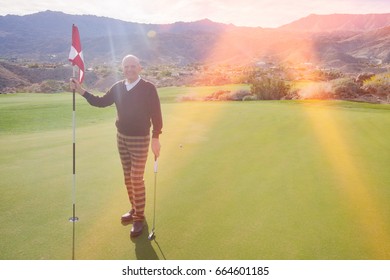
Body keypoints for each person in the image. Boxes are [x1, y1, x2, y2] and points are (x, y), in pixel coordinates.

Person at [70, 54, 163, 238]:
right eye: (126, 66)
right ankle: (134, 207)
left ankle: (138, 218)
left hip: (140, 139)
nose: (129, 69)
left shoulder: (148, 88)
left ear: (139, 68)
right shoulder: (118, 87)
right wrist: (81, 91)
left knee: (136, 178)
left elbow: (156, 115)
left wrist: (156, 137)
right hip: (121, 137)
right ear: (122, 69)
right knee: (127, 178)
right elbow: (101, 102)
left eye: (133, 66)